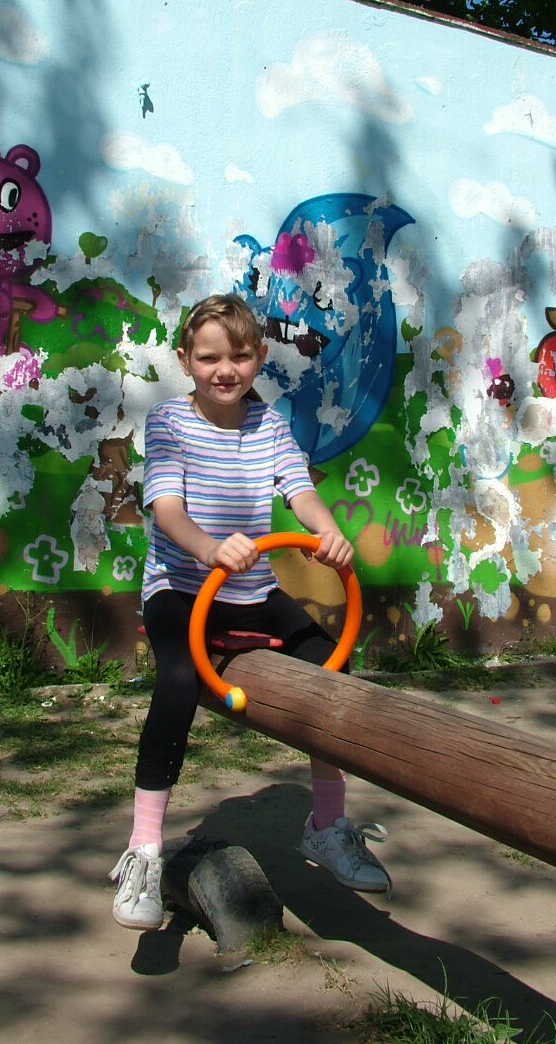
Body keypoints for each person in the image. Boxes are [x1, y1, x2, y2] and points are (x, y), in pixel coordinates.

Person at [109, 293, 391, 930]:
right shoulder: (169, 424)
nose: (225, 370)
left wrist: (327, 534)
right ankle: (144, 852)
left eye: (239, 356)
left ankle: (327, 825)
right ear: (186, 360)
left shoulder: (269, 426)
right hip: (181, 589)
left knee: (333, 669)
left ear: (260, 357)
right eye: (209, 358)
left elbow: (300, 491)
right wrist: (209, 549)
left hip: (252, 591)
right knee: (178, 679)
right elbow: (167, 510)